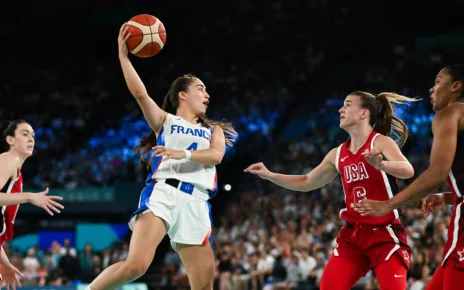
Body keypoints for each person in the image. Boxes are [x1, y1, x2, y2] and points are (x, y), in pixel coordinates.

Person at [86, 23, 237, 290]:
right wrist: (123, 57)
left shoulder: (214, 130)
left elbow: (216, 156)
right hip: (164, 193)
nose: (207, 94)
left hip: (197, 202)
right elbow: (140, 93)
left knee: (203, 286)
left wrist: (182, 153)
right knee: (136, 265)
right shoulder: (164, 121)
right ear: (183, 94)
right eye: (200, 89)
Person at [245, 91, 418, 289]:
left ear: (363, 113)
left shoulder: (379, 142)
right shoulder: (337, 154)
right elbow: (306, 181)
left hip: (385, 235)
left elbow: (408, 170)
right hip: (353, 238)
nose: (340, 109)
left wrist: (382, 165)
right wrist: (270, 175)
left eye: (347, 104)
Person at [351, 64, 464, 289]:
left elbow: (437, 172)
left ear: (456, 86)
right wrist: (449, 197)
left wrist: (389, 204)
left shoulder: (451, 112)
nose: (432, 89)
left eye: (438, 82)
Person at [0, 119, 64, 289]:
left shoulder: (15, 169)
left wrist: (5, 263)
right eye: (25, 134)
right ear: (10, 140)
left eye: (33, 136)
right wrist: (28, 196)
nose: (31, 139)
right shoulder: (9, 159)